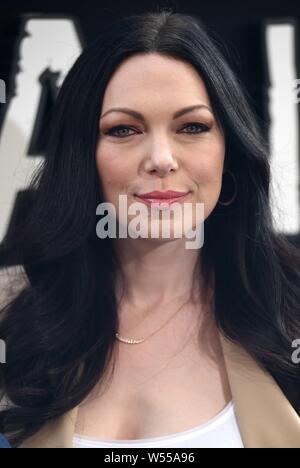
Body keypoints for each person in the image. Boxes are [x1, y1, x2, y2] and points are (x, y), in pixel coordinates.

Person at [0, 9, 299, 448]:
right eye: (124, 129)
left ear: (228, 153)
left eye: (192, 127)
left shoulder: (289, 315)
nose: (161, 158)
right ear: (82, 158)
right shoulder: (10, 315)